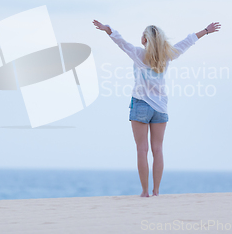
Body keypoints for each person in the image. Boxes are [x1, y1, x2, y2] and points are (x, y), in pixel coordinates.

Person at [92, 19, 221, 197]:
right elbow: (187, 42)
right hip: (160, 107)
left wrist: (108, 30)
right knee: (158, 149)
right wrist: (206, 30)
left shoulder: (138, 54)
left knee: (142, 149)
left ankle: (145, 192)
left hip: (141, 105)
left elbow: (120, 42)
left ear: (145, 39)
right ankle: (156, 191)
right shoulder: (167, 55)